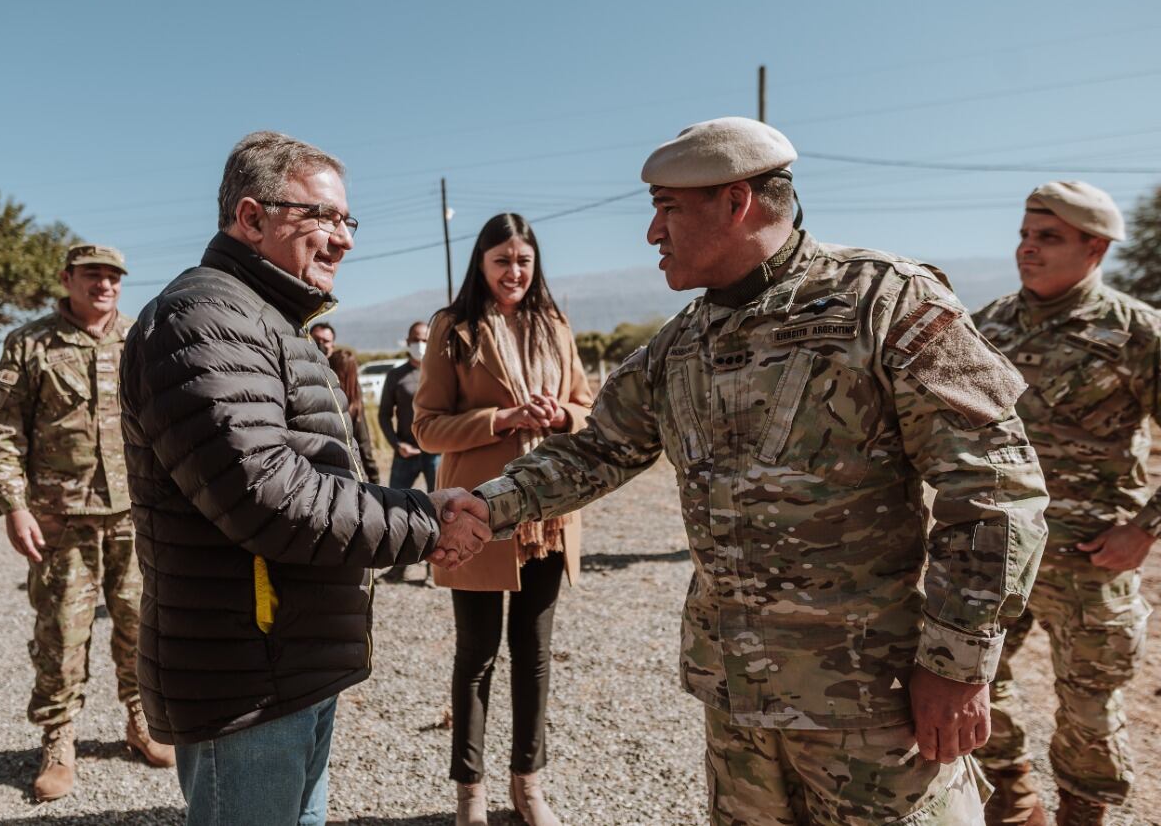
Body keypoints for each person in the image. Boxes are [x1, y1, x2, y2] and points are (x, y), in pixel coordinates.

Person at [456, 118, 1050, 826]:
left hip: (873, 707)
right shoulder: (678, 347)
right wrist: (482, 506)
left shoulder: (885, 302)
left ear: (737, 202)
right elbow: (594, 451)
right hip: (738, 713)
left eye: (667, 208)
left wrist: (957, 663)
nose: (652, 232)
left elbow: (994, 487)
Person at [119, 130, 490, 826]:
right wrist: (425, 519)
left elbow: (321, 477)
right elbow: (271, 496)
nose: (343, 238)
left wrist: (418, 510)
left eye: (348, 219)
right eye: (321, 216)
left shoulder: (269, 320)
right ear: (251, 217)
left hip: (288, 662)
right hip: (247, 678)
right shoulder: (203, 317)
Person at [972, 181, 1158, 826]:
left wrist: (1144, 530)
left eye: (1048, 237)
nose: (1028, 249)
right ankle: (1015, 799)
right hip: (995, 553)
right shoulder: (985, 326)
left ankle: (1084, 814)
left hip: (1090, 560)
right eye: (1025, 235)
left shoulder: (1137, 332)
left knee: (1089, 709)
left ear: (1094, 246)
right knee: (969, 680)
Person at [0, 243, 174, 802]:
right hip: (61, 520)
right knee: (61, 633)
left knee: (141, 624)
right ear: (67, 279)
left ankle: (141, 722)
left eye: (113, 276)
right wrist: (13, 505)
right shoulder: (31, 343)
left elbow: (165, 423)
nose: (104, 284)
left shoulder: (142, 338)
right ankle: (59, 740)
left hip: (135, 515)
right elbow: (0, 433)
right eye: (92, 275)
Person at [413, 212, 594, 826]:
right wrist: (501, 419)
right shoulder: (454, 328)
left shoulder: (555, 324)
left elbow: (586, 409)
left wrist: (560, 416)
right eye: (501, 261)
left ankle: (528, 784)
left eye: (523, 260)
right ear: (481, 264)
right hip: (476, 512)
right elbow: (426, 426)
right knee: (477, 653)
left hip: (548, 509)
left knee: (534, 653)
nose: (514, 271)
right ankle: (470, 791)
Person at [378, 320, 440, 584]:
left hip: (435, 451)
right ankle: (398, 567)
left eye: (426, 339)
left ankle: (433, 570)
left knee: (438, 510)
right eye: (416, 339)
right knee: (396, 510)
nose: (421, 345)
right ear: (408, 341)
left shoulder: (440, 373)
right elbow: (383, 415)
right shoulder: (397, 375)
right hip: (405, 452)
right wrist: (396, 444)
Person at [327, 347, 382, 484]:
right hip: (348, 472)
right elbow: (364, 444)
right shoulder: (353, 403)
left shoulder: (321, 395)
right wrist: (374, 478)